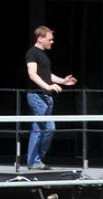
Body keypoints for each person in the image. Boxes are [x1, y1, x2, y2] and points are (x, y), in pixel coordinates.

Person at [24, 26, 76, 170]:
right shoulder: (32, 53)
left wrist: (63, 81)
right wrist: (47, 87)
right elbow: (32, 74)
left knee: (45, 128)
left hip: (45, 97)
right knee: (43, 128)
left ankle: (35, 159)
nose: (52, 42)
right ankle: (34, 160)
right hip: (37, 96)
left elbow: (47, 75)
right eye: (49, 39)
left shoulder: (42, 55)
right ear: (40, 39)